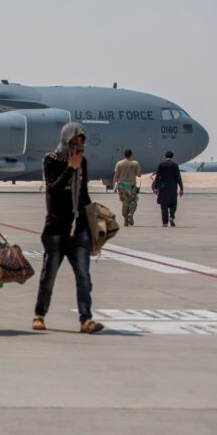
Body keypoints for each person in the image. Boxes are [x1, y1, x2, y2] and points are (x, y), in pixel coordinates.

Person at [33, 122, 104, 334]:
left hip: (79, 229)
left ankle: (86, 319)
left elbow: (82, 194)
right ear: (66, 140)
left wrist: (95, 220)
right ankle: (39, 314)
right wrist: (70, 168)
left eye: (82, 142)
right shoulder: (51, 160)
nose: (79, 146)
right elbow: (52, 190)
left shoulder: (83, 162)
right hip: (56, 228)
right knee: (49, 275)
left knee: (83, 276)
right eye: (75, 141)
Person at [153, 151, 184, 228]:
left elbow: (157, 177)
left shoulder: (161, 165)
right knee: (173, 204)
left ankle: (165, 223)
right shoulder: (175, 165)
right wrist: (181, 189)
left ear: (165, 156)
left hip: (163, 188)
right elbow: (178, 178)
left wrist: (155, 188)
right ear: (172, 156)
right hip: (173, 188)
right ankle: (171, 217)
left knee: (164, 206)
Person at [113, 149, 142, 227]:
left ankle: (125, 220)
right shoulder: (135, 163)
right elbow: (139, 175)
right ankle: (130, 214)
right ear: (131, 154)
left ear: (124, 154)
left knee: (124, 202)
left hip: (122, 186)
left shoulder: (119, 163)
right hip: (131, 186)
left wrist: (114, 185)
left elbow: (116, 176)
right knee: (133, 201)